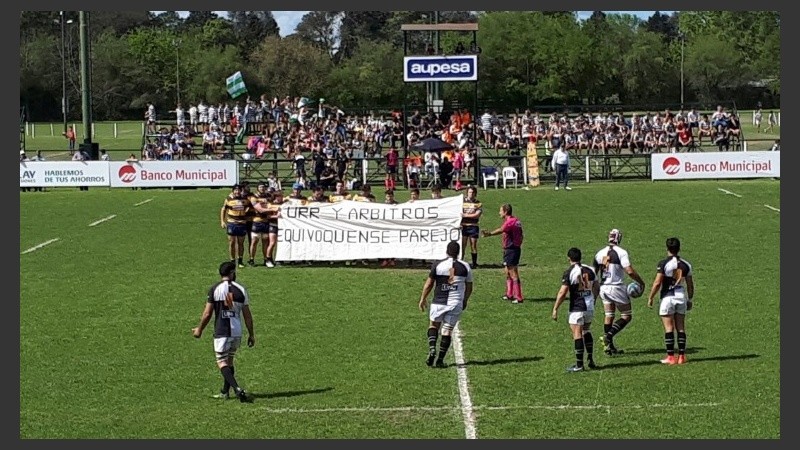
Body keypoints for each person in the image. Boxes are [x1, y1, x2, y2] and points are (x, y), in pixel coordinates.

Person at [192, 261, 254, 402]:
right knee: (229, 361)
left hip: (222, 331)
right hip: (237, 331)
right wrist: (251, 334)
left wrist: (199, 329)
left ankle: (237, 389)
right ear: (232, 273)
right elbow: (247, 316)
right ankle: (225, 392)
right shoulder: (241, 290)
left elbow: (207, 314)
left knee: (222, 362)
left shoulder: (215, 289)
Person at [418, 241, 473, 368]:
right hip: (455, 302)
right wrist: (465, 300)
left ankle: (432, 349)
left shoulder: (438, 264)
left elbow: (429, 284)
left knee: (433, 325)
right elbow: (469, 287)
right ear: (458, 252)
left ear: (447, 251)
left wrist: (422, 298)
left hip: (439, 302)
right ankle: (440, 360)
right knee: (447, 330)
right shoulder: (465, 266)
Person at [593, 229, 647, 356]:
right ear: (619, 238)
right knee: (626, 316)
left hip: (603, 287)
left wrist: (594, 294)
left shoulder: (599, 253)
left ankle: (609, 348)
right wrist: (641, 282)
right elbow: (629, 271)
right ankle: (608, 336)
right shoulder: (621, 252)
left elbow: (593, 274)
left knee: (609, 315)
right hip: (616, 287)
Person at [647, 237, 695, 365]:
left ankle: (670, 357)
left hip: (668, 297)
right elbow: (690, 285)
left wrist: (651, 297)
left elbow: (657, 283)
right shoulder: (686, 264)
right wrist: (689, 299)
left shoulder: (663, 264)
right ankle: (682, 356)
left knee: (669, 328)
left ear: (667, 248)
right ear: (679, 248)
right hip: (681, 297)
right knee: (681, 328)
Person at [552, 247, 600, 372]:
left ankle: (579, 365)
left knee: (577, 334)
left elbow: (563, 292)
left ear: (569, 258)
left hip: (577, 308)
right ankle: (590, 359)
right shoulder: (590, 270)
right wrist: (593, 299)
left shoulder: (570, 272)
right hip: (589, 307)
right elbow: (597, 287)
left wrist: (555, 308)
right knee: (586, 331)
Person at [482, 204, 524, 303]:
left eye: (500, 211)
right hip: (513, 249)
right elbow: (521, 234)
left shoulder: (510, 222)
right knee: (507, 271)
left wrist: (489, 234)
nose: (499, 213)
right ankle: (509, 294)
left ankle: (518, 297)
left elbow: (501, 230)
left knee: (513, 273)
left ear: (505, 212)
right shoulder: (516, 220)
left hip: (511, 249)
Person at [220, 184, 252, 268]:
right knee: (232, 243)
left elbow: (249, 206)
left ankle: (240, 261)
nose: (237, 192)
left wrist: (245, 212)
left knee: (241, 243)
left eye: (238, 190)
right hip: (232, 223)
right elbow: (223, 209)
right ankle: (232, 261)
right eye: (235, 190)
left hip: (242, 223)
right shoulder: (229, 199)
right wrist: (222, 221)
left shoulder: (245, 199)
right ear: (233, 191)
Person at [247, 182, 271, 267]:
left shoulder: (268, 196)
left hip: (266, 222)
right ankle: (251, 259)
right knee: (254, 241)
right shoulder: (254, 197)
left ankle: (265, 259)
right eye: (260, 187)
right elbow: (259, 209)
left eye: (263, 187)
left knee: (265, 241)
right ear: (257, 188)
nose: (262, 189)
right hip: (257, 221)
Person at [461, 185, 483, 268]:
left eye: (473, 192)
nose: (471, 194)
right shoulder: (462, 202)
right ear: (467, 193)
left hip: (473, 226)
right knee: (463, 245)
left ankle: (474, 263)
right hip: (464, 226)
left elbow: (477, 215)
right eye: (470, 192)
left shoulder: (478, 203)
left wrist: (465, 215)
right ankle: (461, 261)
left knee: (473, 245)